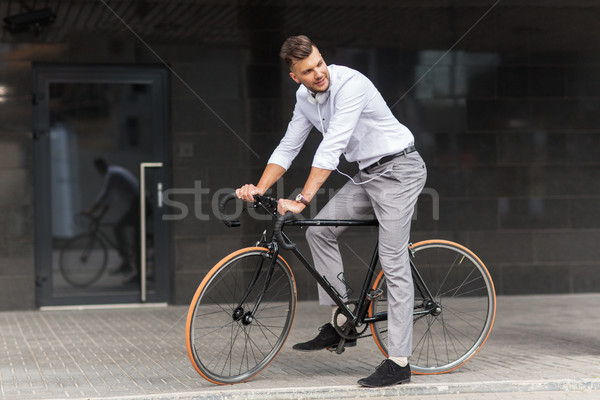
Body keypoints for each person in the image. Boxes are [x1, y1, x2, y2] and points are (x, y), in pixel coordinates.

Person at [236, 35, 427, 387]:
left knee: (392, 258)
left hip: (400, 170)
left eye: (320, 63)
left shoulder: (351, 84)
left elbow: (333, 145)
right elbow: (288, 145)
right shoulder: (303, 98)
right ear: (295, 76)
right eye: (308, 71)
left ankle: (399, 362)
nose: (319, 73)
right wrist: (259, 188)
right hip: (368, 174)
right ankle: (346, 321)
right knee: (318, 230)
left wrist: (302, 199)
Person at [85, 158, 141, 281]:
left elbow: (105, 195)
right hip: (137, 203)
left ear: (99, 168)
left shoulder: (112, 174)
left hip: (140, 203)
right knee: (125, 229)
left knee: (119, 228)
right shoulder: (115, 172)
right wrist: (99, 216)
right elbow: (109, 199)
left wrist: (91, 211)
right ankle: (127, 258)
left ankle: (126, 257)